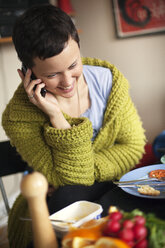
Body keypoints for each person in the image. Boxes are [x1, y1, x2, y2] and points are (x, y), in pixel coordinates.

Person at [2, 3, 146, 248]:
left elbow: (133, 148)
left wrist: (88, 167)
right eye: (52, 74)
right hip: (64, 202)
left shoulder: (108, 81)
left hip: (112, 184)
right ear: (27, 73)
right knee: (70, 196)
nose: (67, 81)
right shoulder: (18, 117)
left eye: (73, 65)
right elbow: (70, 179)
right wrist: (56, 116)